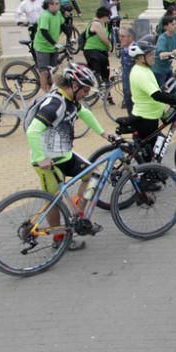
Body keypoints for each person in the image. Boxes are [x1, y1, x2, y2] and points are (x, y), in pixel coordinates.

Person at [25, 63, 114, 251]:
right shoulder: (55, 105)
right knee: (53, 200)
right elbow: (33, 131)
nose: (86, 93)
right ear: (74, 86)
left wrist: (104, 134)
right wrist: (41, 158)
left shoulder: (71, 101)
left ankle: (77, 211)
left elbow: (85, 113)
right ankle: (58, 240)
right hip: (47, 162)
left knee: (93, 177)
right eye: (85, 89)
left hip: (64, 155)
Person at [127, 36, 176, 160]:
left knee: (152, 148)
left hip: (150, 116)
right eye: (150, 54)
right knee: (149, 150)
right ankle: (146, 174)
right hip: (146, 118)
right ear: (140, 58)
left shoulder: (144, 69)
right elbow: (156, 95)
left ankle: (150, 171)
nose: (153, 56)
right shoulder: (141, 73)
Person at [32, 0, 63, 92]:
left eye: (58, 4)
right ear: (50, 5)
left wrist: (70, 37)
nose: (58, 6)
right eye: (56, 4)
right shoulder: (45, 15)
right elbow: (44, 32)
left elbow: (63, 25)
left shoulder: (58, 14)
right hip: (42, 46)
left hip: (52, 47)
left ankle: (50, 89)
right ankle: (45, 92)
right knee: (44, 71)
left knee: (53, 69)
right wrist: (54, 43)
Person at [82, 7, 112, 88]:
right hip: (93, 51)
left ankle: (106, 94)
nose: (109, 18)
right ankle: (100, 91)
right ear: (104, 16)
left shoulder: (100, 24)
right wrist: (109, 47)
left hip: (98, 51)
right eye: (108, 16)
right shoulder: (96, 24)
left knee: (104, 74)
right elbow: (104, 39)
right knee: (99, 75)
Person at [153, 14, 176, 91]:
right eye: (172, 24)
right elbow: (161, 54)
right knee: (162, 93)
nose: (175, 26)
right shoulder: (162, 39)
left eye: (175, 24)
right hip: (159, 70)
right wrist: (173, 52)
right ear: (165, 27)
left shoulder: (175, 35)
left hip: (168, 68)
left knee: (173, 91)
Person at [117, 26, 135, 112]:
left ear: (130, 37)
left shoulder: (135, 50)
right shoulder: (124, 49)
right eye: (119, 36)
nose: (120, 38)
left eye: (122, 36)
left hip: (134, 90)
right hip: (127, 89)